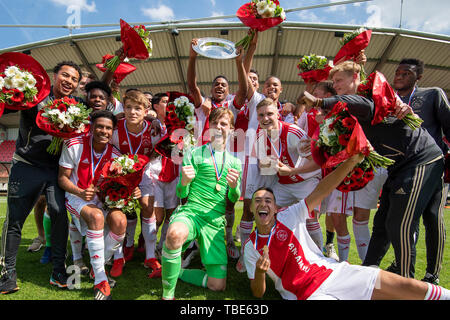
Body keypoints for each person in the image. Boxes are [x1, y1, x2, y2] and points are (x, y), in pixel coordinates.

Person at [301, 60, 445, 279]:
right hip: (398, 167)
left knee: (401, 224)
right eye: (334, 81)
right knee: (382, 223)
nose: (336, 84)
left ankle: (406, 282)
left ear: (355, 79)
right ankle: (368, 273)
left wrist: (320, 101)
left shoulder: (367, 98)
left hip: (421, 160)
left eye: (339, 80)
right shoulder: (357, 104)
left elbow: (352, 102)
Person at [243, 153, 450, 300]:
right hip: (308, 295)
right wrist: (261, 273)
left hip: (337, 274)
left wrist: (351, 162)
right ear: (250, 208)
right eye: (258, 201)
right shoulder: (250, 247)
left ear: (276, 206)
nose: (263, 204)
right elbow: (257, 293)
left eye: (268, 200)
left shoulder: (289, 215)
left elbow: (322, 190)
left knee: (402, 286)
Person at [0, 61, 83, 294]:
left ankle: (59, 271)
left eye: (74, 79)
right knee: (15, 220)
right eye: (65, 76)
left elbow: (102, 94)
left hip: (54, 171)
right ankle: (8, 273)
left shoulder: (76, 106)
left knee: (59, 215)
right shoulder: (34, 97)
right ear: (54, 76)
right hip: (26, 166)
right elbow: (8, 104)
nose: (69, 81)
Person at [161, 107, 242, 300]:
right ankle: (167, 295)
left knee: (217, 285)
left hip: (214, 222)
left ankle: (176, 272)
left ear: (231, 129)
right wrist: (184, 183)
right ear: (209, 127)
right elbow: (182, 194)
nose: (219, 127)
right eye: (215, 123)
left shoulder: (235, 162)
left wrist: (233, 188)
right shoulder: (194, 154)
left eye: (224, 124)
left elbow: (233, 198)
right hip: (192, 214)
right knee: (174, 235)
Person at [58, 110, 131, 300]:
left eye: (108, 128)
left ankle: (96, 267)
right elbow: (62, 179)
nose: (104, 131)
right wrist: (80, 192)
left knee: (120, 221)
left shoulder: (115, 154)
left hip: (101, 199)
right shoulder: (74, 144)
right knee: (97, 217)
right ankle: (100, 278)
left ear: (112, 131)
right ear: (91, 127)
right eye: (100, 126)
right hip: (76, 196)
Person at [187, 40, 247, 260]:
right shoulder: (204, 105)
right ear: (211, 88)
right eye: (216, 84)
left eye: (224, 84)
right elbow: (192, 87)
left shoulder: (231, 108)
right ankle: (194, 241)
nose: (220, 86)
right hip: (202, 160)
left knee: (229, 202)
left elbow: (244, 90)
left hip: (225, 160)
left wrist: (239, 62)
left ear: (228, 90)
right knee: (193, 199)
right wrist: (193, 57)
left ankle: (228, 238)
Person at [392, 58, 449, 284]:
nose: (399, 76)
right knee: (404, 222)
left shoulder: (432, 94)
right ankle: (402, 266)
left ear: (419, 77)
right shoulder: (389, 100)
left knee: (433, 218)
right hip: (402, 170)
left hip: (432, 167)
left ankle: (432, 273)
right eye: (397, 72)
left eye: (406, 73)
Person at [252, 98, 323, 252]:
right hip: (284, 184)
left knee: (310, 220)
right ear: (257, 118)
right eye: (261, 115)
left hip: (307, 181)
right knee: (266, 212)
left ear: (278, 114)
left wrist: (291, 170)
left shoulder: (293, 132)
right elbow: (266, 168)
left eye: (269, 114)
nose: (265, 118)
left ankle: (320, 255)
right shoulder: (259, 138)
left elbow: (317, 163)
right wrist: (266, 165)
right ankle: (267, 252)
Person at [109, 90, 161, 278]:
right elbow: (108, 150)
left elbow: (161, 148)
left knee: (147, 207)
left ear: (146, 110)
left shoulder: (154, 129)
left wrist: (148, 161)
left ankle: (149, 256)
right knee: (120, 214)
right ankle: (118, 255)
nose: (132, 112)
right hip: (120, 174)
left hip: (144, 174)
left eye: (137, 108)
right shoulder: (115, 128)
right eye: (128, 107)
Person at [149, 93, 180, 257]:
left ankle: (161, 247)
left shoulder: (178, 124)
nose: (168, 105)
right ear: (155, 106)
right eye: (164, 102)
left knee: (172, 214)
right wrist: (151, 119)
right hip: (155, 175)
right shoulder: (150, 124)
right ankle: (149, 246)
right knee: (157, 217)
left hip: (174, 175)